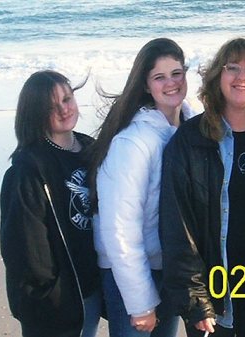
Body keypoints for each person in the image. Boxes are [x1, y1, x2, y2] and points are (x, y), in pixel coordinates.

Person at [159, 36, 245, 337]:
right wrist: (196, 300)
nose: (242, 77)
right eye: (233, 67)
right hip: (214, 298)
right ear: (218, 76)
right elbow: (177, 227)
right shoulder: (190, 141)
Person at [87, 37, 195, 337]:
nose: (171, 83)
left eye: (177, 73)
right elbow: (119, 230)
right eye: (159, 77)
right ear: (146, 85)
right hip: (132, 272)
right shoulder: (133, 142)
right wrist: (141, 303)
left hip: (168, 265)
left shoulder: (190, 124)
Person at [0, 70, 102, 337]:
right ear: (35, 113)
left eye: (67, 99)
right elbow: (23, 247)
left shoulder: (90, 149)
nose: (63, 109)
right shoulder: (28, 169)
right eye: (51, 106)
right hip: (55, 304)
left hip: (89, 290)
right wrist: (54, 295)